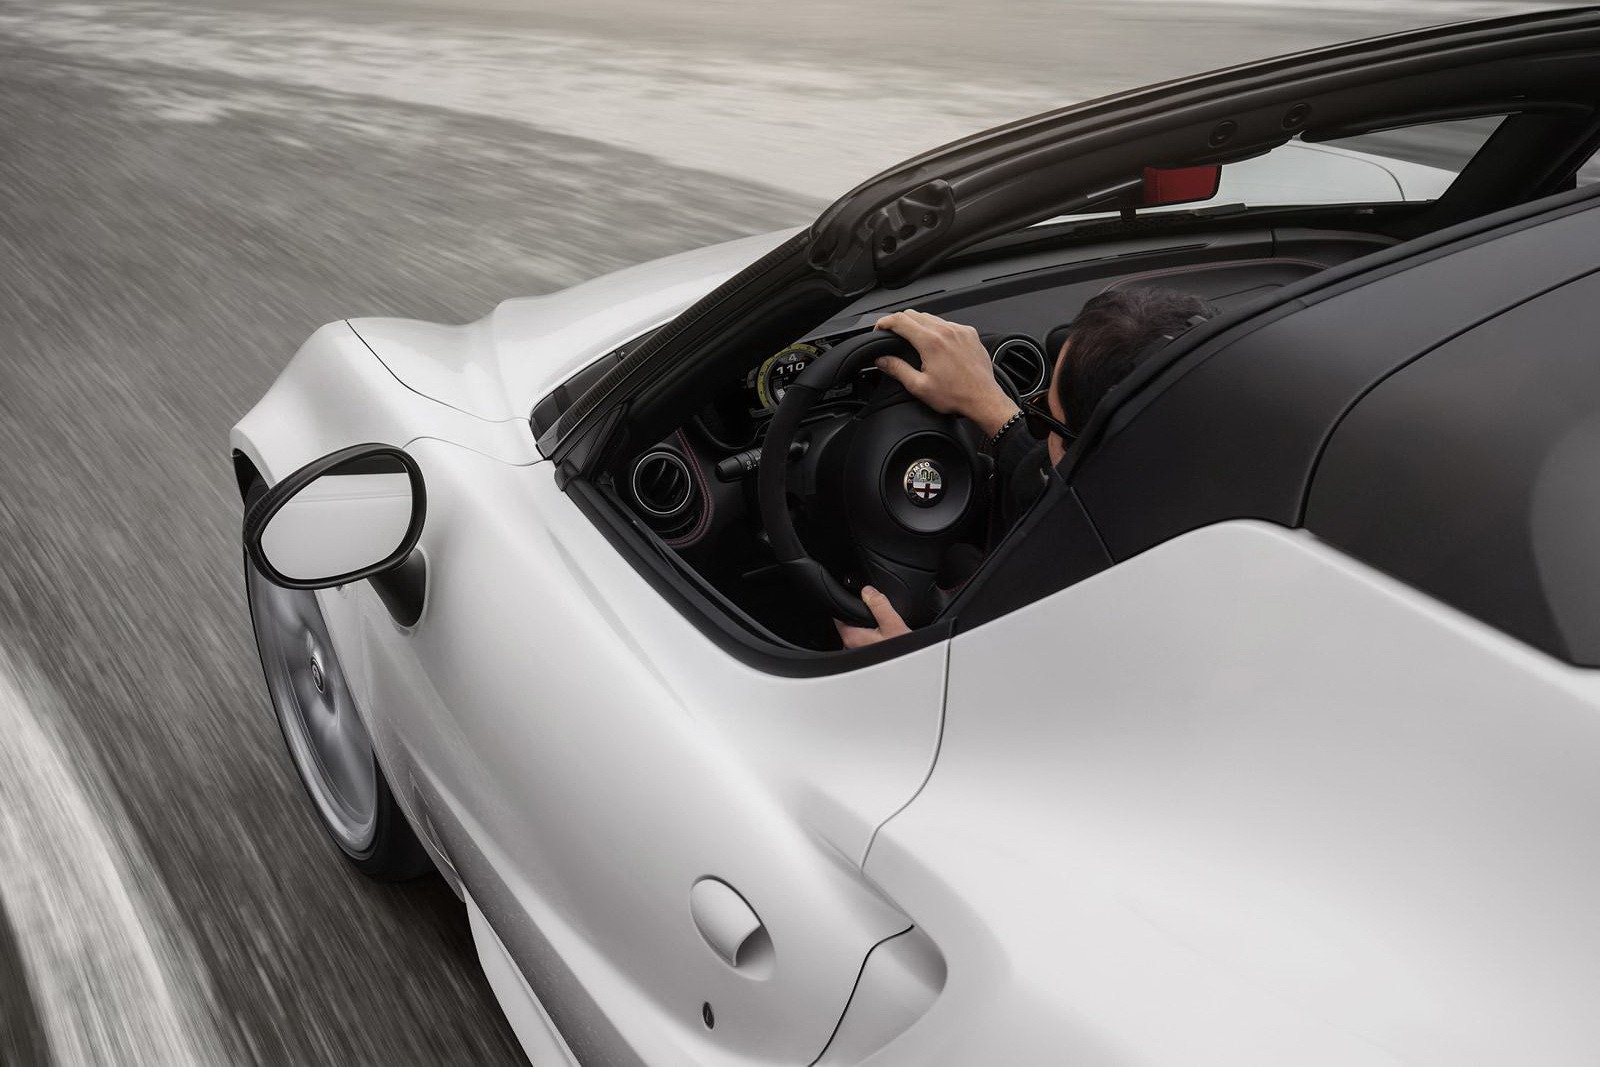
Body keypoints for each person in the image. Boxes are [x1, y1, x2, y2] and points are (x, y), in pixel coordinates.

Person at [835, 286, 1216, 648]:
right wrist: (990, 406)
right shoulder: (1212, 467)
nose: (1037, 431)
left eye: (1044, 418)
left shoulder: (1110, 612)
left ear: (1100, 462)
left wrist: (909, 667)